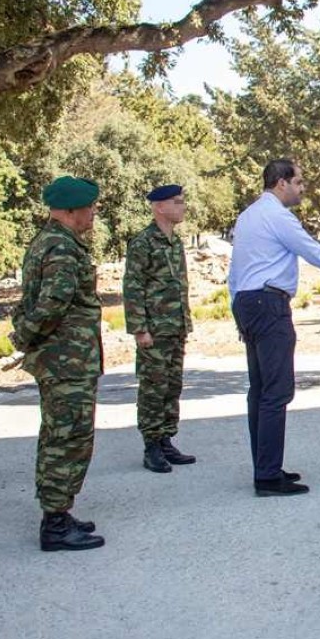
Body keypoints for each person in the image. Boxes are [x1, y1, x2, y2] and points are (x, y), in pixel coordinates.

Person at [228, 159, 320, 496]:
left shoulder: (247, 216)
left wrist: (238, 310)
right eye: (299, 182)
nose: (303, 188)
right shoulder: (278, 217)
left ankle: (266, 466)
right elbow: (314, 253)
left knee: (260, 390)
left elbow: (235, 271)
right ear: (281, 182)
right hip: (269, 304)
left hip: (248, 302)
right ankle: (267, 477)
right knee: (276, 392)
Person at [10, 175, 105, 551]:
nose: (93, 212)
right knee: (68, 438)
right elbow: (53, 301)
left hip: (65, 358)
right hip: (66, 359)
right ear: (69, 211)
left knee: (60, 435)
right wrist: (24, 336)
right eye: (89, 207)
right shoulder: (62, 247)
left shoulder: (50, 240)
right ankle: (54, 524)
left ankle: (59, 513)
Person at [123, 184, 195, 473]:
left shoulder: (175, 242)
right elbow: (132, 286)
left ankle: (166, 439)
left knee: (172, 385)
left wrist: (185, 322)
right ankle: (151, 446)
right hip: (154, 329)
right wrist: (140, 328)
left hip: (175, 326)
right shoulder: (143, 242)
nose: (182, 206)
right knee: (153, 387)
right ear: (159, 207)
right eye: (177, 202)